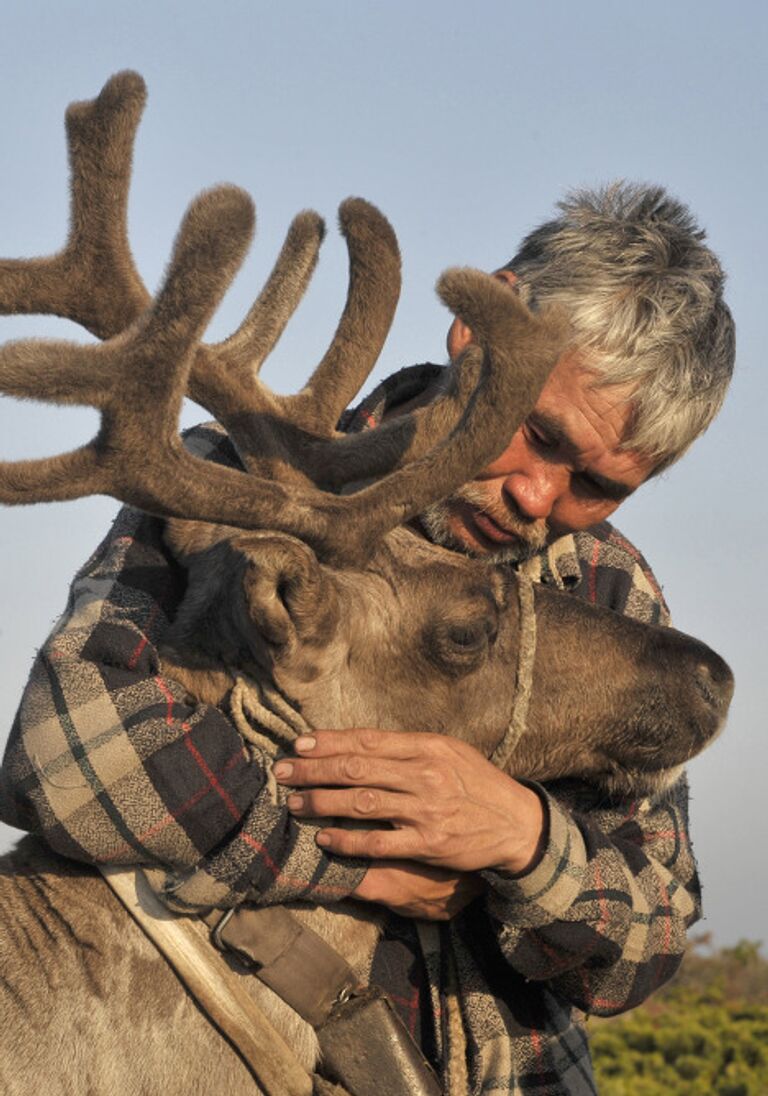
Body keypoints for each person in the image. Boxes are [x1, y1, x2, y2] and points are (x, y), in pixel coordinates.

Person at [0, 182, 734, 1094]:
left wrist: (525, 839)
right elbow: (67, 750)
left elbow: (649, 937)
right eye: (540, 435)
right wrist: (364, 861)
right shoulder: (239, 484)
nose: (542, 500)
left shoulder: (608, 587)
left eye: (599, 484)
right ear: (479, 326)